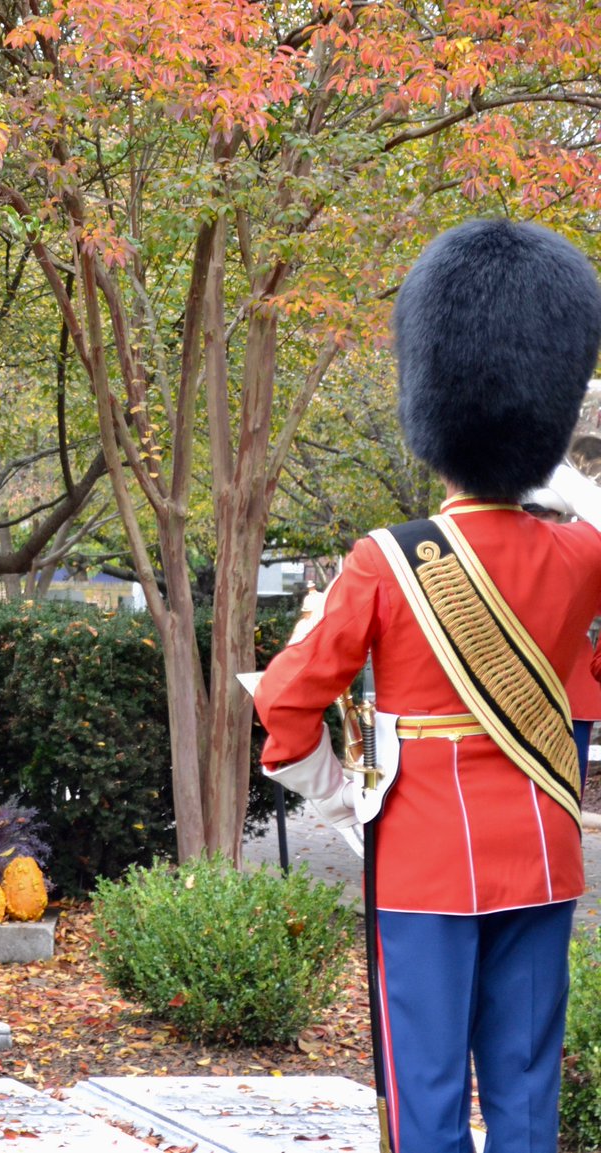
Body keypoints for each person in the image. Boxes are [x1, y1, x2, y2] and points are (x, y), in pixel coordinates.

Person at [253, 219, 601, 1153]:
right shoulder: (584, 557)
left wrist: (340, 799)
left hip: (423, 853)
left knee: (428, 1094)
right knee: (526, 1093)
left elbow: (284, 703)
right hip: (544, 846)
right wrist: (567, 486)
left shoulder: (384, 560)